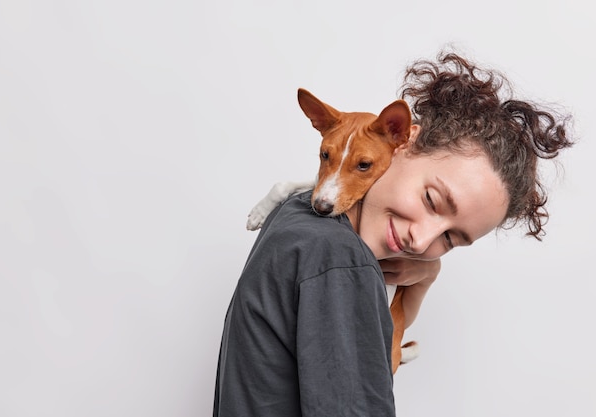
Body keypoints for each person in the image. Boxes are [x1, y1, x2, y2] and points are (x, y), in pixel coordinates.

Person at [213, 51, 574, 417]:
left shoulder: (298, 211)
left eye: (450, 239)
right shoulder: (340, 260)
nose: (420, 241)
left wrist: (423, 280)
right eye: (432, 200)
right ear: (404, 142)